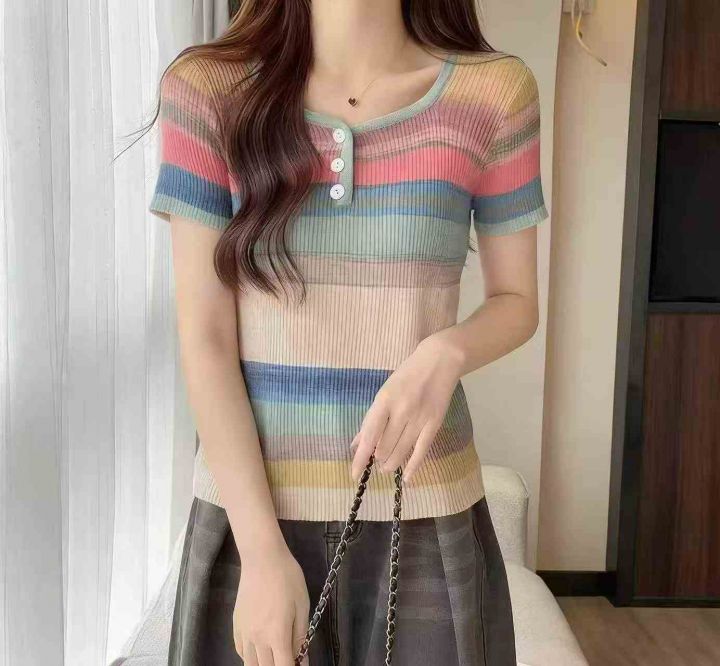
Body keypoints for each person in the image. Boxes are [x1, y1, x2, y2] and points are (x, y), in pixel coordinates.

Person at [148, 1, 548, 664]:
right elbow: (206, 339)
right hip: (252, 518)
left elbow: (517, 302)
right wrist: (261, 553)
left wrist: (444, 352)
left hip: (424, 515)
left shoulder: (493, 94)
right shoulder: (207, 91)